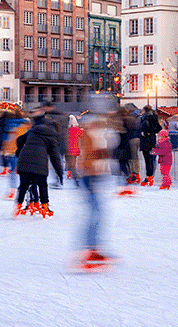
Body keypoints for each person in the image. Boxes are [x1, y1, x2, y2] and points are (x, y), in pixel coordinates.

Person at [77, 96, 116, 270]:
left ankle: (92, 248)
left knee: (96, 213)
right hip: (90, 176)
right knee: (95, 213)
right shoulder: (91, 132)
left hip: (94, 174)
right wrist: (92, 171)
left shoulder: (98, 131)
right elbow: (89, 155)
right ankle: (89, 250)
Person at [13, 103, 64, 218]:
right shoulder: (52, 137)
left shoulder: (33, 130)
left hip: (24, 159)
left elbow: (19, 140)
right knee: (42, 184)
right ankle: (45, 206)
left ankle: (18, 206)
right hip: (40, 162)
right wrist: (59, 172)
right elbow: (55, 157)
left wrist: (19, 152)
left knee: (24, 184)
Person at [0, 108, 30, 199]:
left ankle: (12, 191)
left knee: (13, 171)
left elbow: (8, 138)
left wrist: (5, 149)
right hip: (24, 150)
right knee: (26, 172)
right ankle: (31, 190)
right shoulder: (26, 125)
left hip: (13, 151)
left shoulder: (9, 125)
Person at [139, 106, 161, 187]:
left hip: (146, 141)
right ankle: (150, 176)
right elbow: (159, 128)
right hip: (152, 140)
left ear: (145, 111)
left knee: (147, 160)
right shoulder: (154, 118)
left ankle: (149, 177)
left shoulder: (145, 118)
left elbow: (144, 129)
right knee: (151, 159)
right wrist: (152, 132)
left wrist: (145, 133)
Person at [152, 124, 173, 190]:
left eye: (159, 136)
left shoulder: (163, 143)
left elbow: (162, 151)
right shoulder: (163, 143)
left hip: (165, 160)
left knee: (164, 172)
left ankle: (165, 184)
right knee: (165, 172)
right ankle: (168, 182)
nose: (158, 137)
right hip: (165, 160)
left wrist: (155, 151)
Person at [66, 115, 82, 186]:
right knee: (74, 162)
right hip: (75, 147)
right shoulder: (77, 129)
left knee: (70, 162)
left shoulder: (66, 130)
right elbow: (82, 136)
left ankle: (69, 173)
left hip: (68, 148)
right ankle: (73, 174)